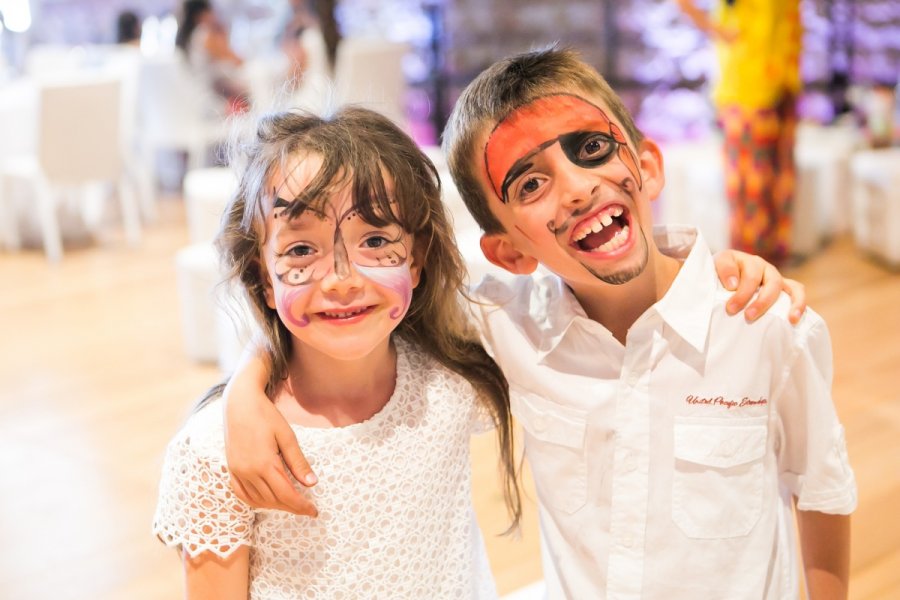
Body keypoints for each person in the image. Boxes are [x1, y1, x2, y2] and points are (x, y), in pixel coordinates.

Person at [218, 47, 850, 599]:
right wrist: (247, 388)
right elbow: (355, 305)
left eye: (592, 148)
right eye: (529, 184)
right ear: (509, 252)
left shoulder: (769, 327)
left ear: (647, 166)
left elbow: (821, 491)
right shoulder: (505, 326)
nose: (576, 189)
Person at [153, 106, 520, 597]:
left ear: (416, 260)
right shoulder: (218, 452)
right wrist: (245, 384)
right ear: (262, 278)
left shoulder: (451, 381)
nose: (343, 281)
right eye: (302, 250)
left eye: (374, 239)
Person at [675, 0, 802, 265]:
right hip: (747, 86)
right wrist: (721, 31)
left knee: (780, 174)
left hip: (784, 78)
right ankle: (750, 259)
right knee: (750, 179)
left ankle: (776, 256)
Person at [175, 0, 249, 115]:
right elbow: (237, 60)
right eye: (211, 11)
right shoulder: (204, 34)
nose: (214, 15)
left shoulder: (189, 37)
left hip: (193, 96)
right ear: (202, 14)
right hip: (209, 101)